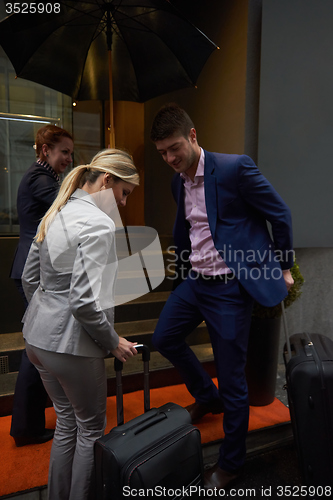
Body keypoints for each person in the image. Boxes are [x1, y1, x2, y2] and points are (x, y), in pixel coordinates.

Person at [150, 104, 294, 490]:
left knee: (234, 381)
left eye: (175, 148)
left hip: (230, 289)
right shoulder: (176, 181)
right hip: (196, 282)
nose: (170, 158)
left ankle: (232, 464)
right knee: (164, 337)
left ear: (193, 136)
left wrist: (283, 266)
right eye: (162, 152)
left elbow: (280, 214)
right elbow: (190, 229)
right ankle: (206, 397)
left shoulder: (234, 168)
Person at [22, 148, 139, 500]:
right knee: (91, 430)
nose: (124, 203)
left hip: (37, 340)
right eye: (124, 193)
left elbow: (30, 280)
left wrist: (47, 317)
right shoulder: (99, 224)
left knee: (66, 426)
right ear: (107, 181)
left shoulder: (57, 210)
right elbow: (84, 302)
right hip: (71, 346)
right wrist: (113, 341)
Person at [10, 124, 74, 446]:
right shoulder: (41, 180)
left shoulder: (44, 177)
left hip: (31, 268)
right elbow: (68, 207)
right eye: (64, 152)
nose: (68, 158)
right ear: (46, 150)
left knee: (35, 348)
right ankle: (26, 426)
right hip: (31, 272)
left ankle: (26, 423)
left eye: (70, 153)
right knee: (37, 350)